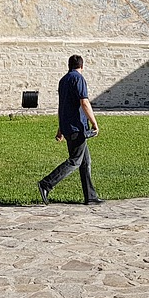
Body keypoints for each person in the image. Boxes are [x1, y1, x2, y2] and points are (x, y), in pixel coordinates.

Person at [38, 54, 102, 205]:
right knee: (75, 161)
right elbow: (84, 102)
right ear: (82, 66)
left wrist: (61, 128)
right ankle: (46, 183)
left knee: (85, 162)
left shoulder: (63, 80)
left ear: (69, 65)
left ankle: (90, 196)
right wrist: (94, 122)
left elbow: (63, 106)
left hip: (68, 126)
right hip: (77, 127)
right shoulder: (78, 79)